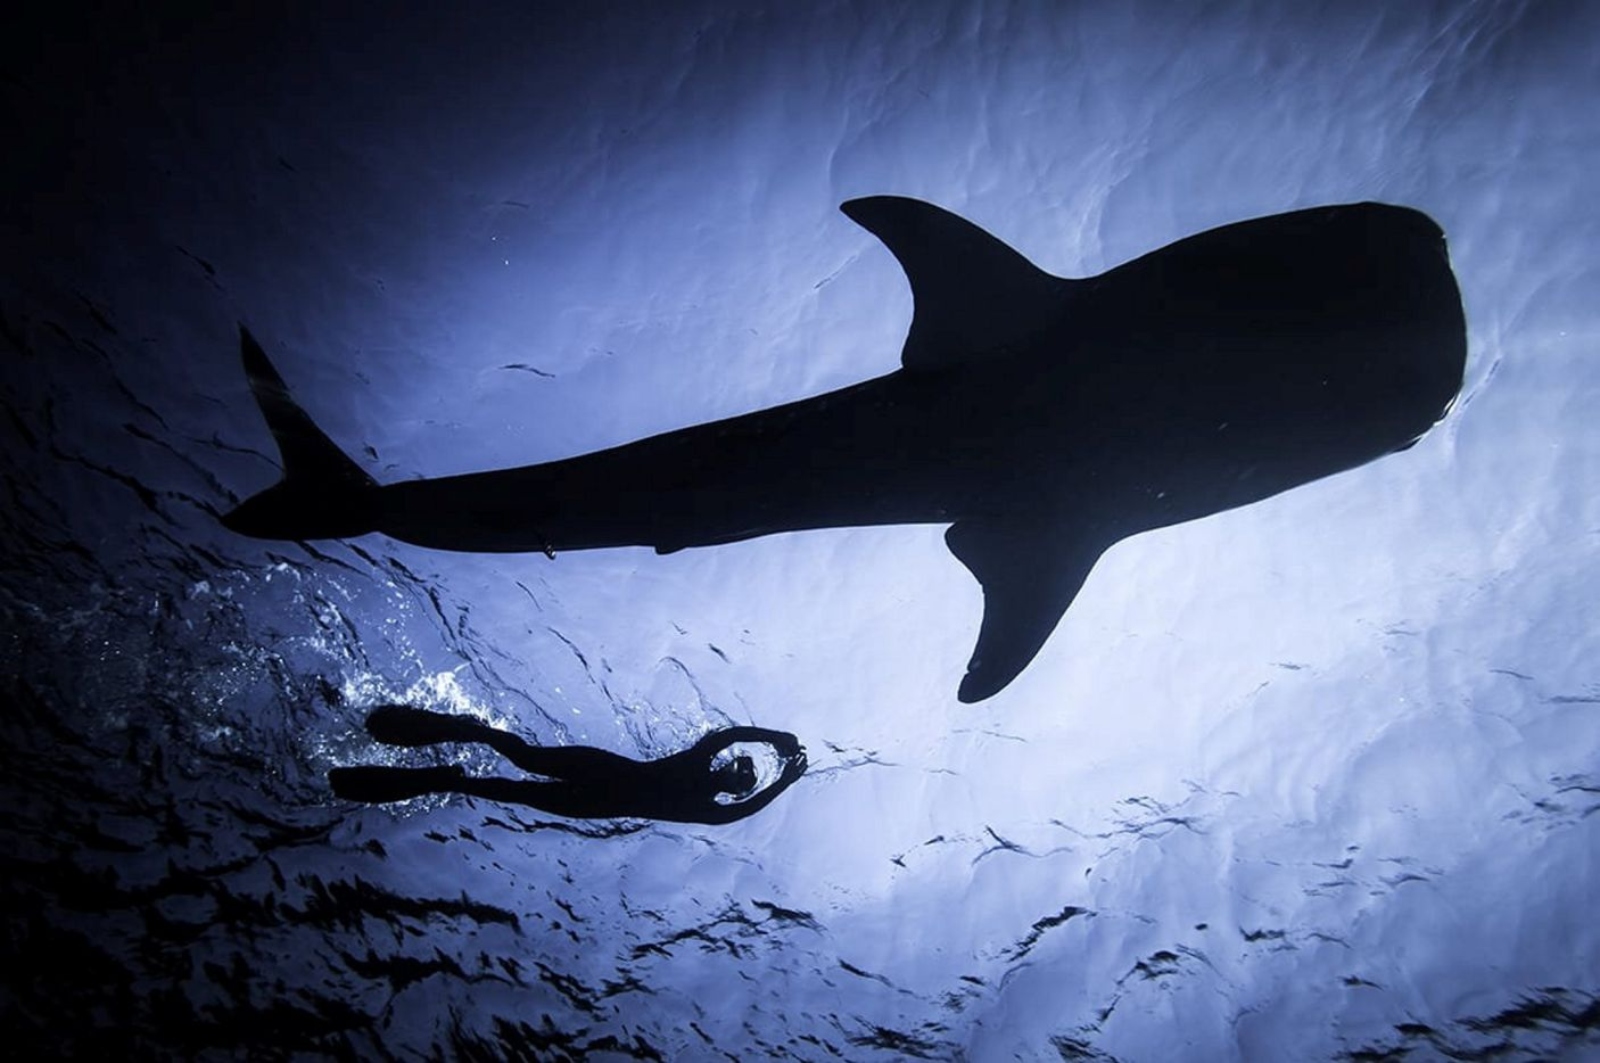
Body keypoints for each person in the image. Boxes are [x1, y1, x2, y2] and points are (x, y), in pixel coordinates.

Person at [329, 706, 806, 825]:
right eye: (740, 764)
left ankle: (442, 780)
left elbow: (747, 810)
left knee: (511, 788)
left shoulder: (706, 806)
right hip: (600, 773)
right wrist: (775, 739)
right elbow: (729, 736)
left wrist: (785, 777)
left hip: (593, 801)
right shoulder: (701, 763)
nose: (733, 765)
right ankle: (462, 730)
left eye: (740, 774)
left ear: (734, 787)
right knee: (522, 754)